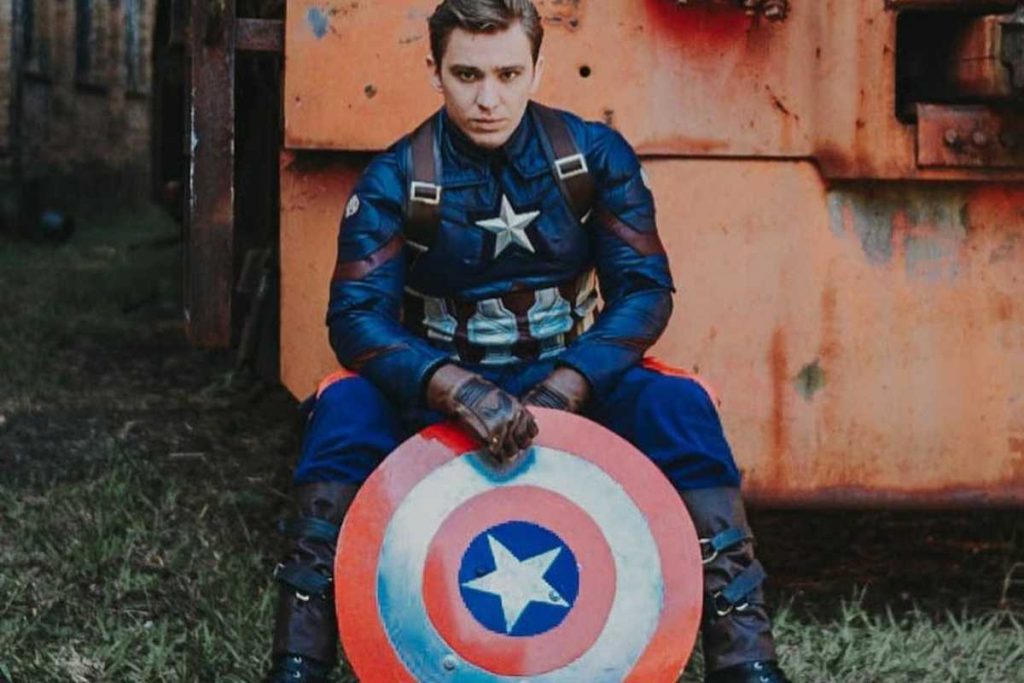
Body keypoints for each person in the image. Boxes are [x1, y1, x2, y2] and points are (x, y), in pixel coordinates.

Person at [267, 1, 791, 681]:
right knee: (343, 411)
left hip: (571, 377)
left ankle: (745, 656)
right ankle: (299, 658)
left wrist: (567, 387)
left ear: (538, 68)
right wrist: (453, 388)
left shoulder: (591, 156)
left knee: (679, 405)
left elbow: (645, 290)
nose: (488, 99)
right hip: (440, 388)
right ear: (434, 71)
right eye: (467, 75)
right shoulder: (398, 177)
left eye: (509, 74)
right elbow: (354, 317)